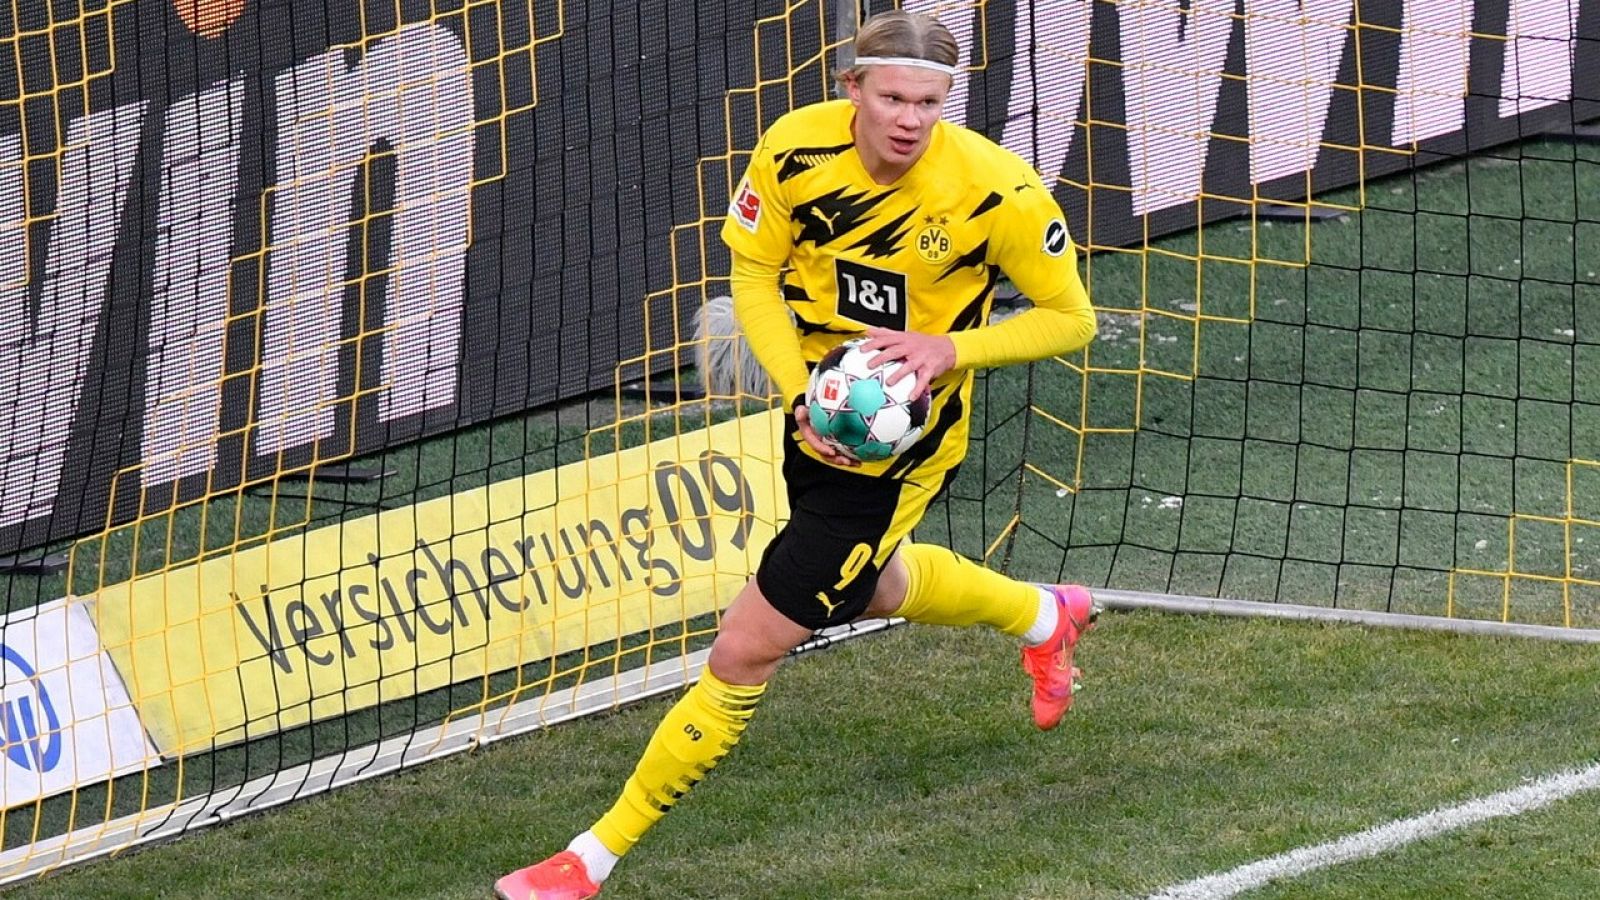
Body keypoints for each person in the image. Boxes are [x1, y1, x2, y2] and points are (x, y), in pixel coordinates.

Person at [495, 11, 1100, 899]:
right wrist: (796, 391)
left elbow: (1072, 318)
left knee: (746, 647)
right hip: (820, 415)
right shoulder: (793, 152)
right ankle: (1045, 617)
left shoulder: (996, 193)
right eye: (893, 97)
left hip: (904, 448)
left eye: (930, 103)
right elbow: (753, 275)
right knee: (871, 584)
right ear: (852, 86)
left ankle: (590, 859)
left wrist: (950, 350)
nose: (910, 119)